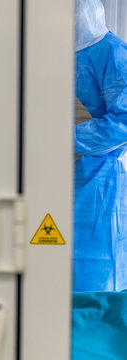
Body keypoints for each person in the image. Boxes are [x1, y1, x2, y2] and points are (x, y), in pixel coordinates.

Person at [74, 0, 127, 291]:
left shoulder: (113, 53)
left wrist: (65, 138)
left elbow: (124, 121)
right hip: (53, 172)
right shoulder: (50, 55)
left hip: (99, 179)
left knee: (96, 270)